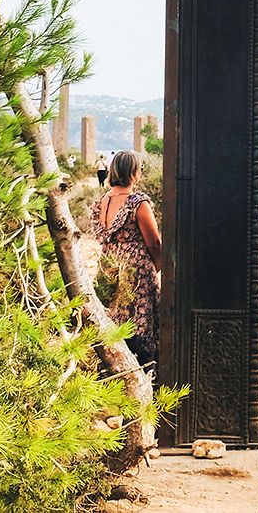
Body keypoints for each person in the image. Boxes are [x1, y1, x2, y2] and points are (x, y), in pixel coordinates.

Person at [91, 148, 161, 370]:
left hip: (108, 267)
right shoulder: (138, 203)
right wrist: (154, 268)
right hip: (136, 270)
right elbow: (154, 243)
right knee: (141, 325)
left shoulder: (102, 201)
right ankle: (144, 373)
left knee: (113, 322)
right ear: (134, 172)